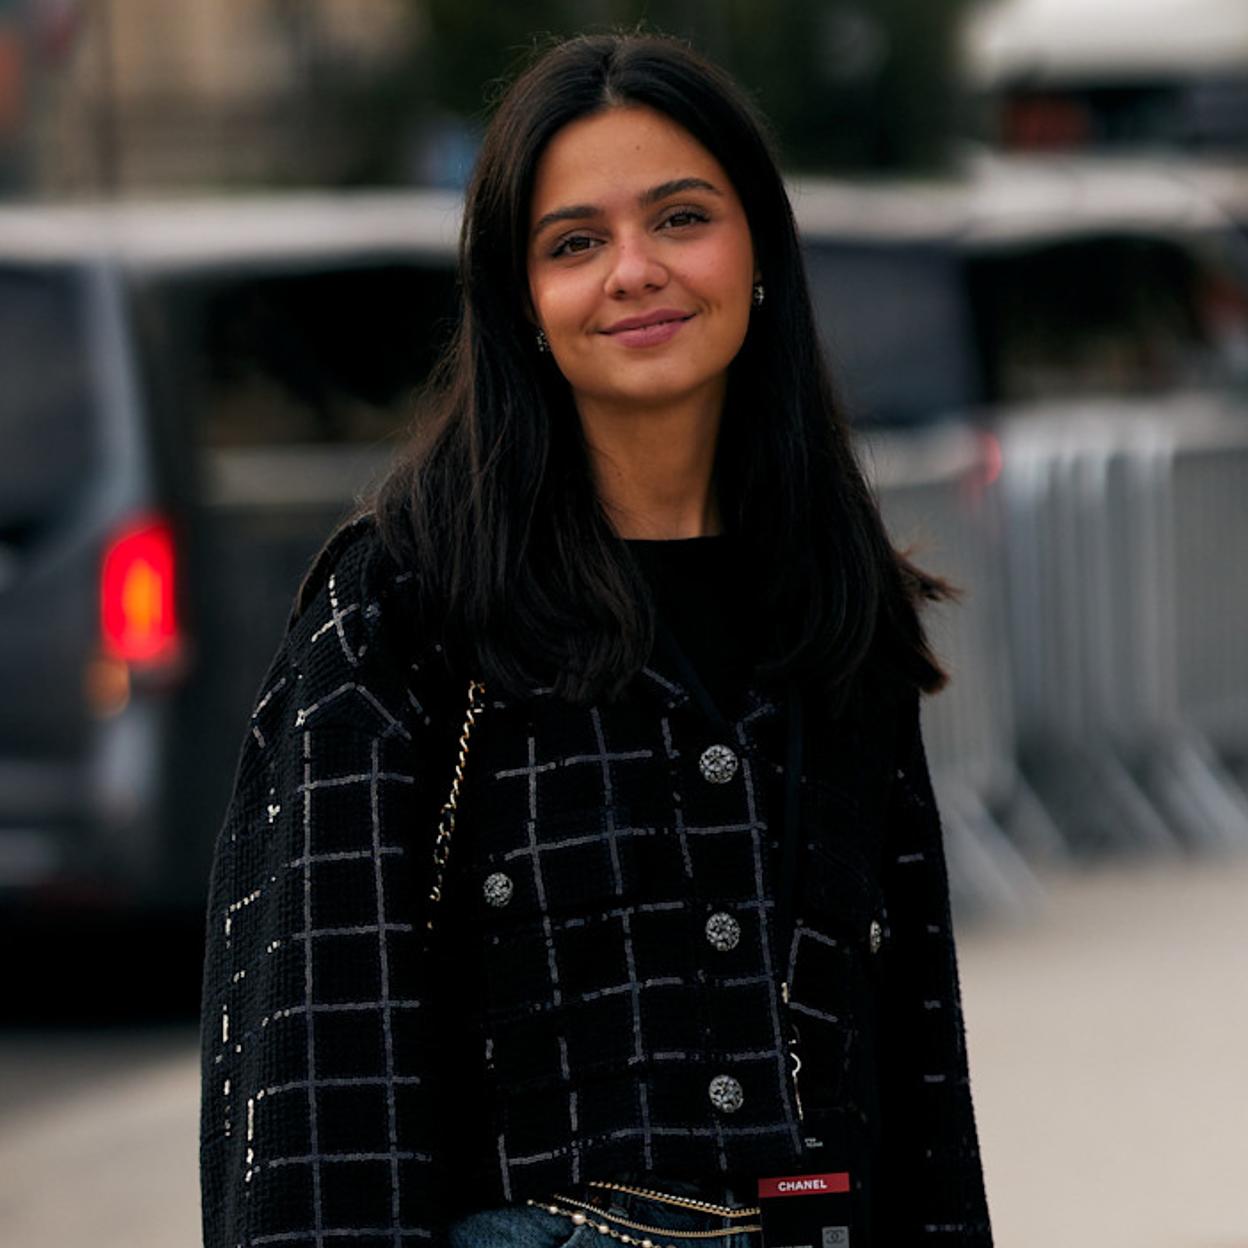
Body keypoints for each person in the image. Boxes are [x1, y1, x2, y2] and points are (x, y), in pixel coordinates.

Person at [199, 30, 994, 1248]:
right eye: (575, 242)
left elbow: (919, 1070)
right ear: (519, 298)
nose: (635, 271)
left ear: (760, 250)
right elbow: (324, 1077)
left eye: (681, 219)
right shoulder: (406, 607)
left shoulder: (836, 598)